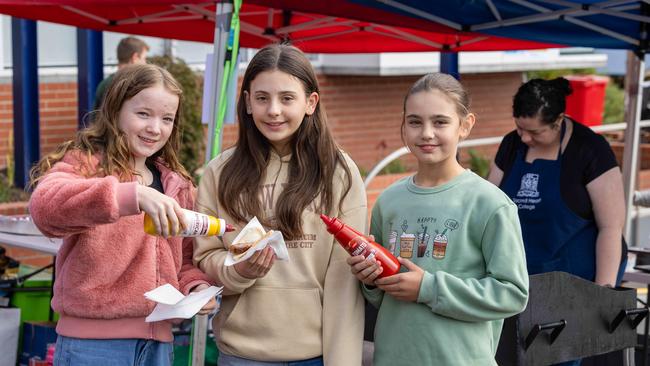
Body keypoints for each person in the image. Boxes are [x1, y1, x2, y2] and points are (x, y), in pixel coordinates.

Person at [29, 64, 217, 366]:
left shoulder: (177, 185)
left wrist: (196, 287)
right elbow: (45, 209)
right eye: (143, 114)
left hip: (158, 346)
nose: (155, 128)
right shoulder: (87, 165)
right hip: (91, 347)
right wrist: (131, 195)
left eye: (166, 118)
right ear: (115, 111)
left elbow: (183, 258)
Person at [193, 44, 366, 366]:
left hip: (315, 355)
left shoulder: (339, 172)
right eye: (262, 98)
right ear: (247, 102)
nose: (273, 110)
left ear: (310, 102)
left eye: (287, 98)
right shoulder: (219, 172)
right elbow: (205, 256)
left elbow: (345, 279)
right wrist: (238, 271)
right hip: (241, 355)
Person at [348, 73, 529, 365]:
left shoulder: (490, 203)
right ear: (403, 126)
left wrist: (428, 288)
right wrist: (369, 280)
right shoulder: (388, 202)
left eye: (440, 122)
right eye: (415, 122)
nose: (426, 133)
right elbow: (381, 297)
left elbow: (512, 294)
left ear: (465, 125)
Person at [488, 77, 627, 287]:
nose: (524, 138)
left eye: (535, 132)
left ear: (559, 120)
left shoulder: (591, 149)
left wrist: (603, 293)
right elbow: (489, 204)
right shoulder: (511, 144)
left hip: (577, 279)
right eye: (519, 128)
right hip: (521, 274)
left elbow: (611, 228)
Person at [94, 36, 149, 110]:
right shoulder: (138, 84)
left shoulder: (104, 84)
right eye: (144, 58)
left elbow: (94, 118)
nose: (145, 63)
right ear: (135, 57)